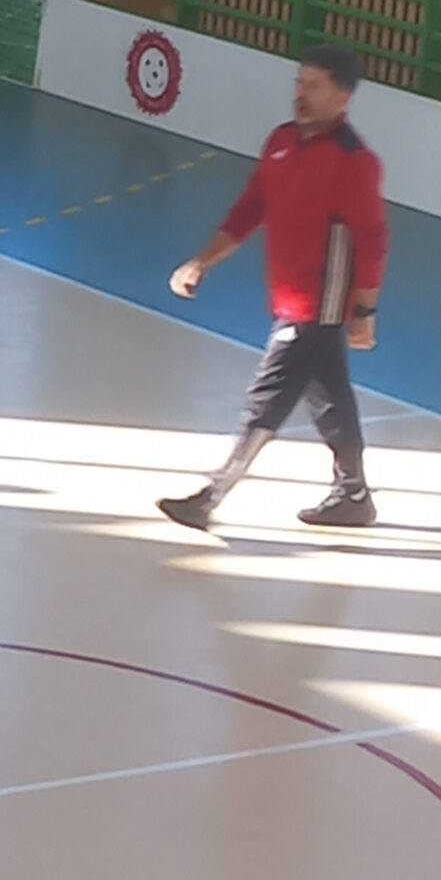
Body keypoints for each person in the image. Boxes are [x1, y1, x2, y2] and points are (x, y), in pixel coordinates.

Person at [158, 42, 390, 532]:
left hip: (317, 305)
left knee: (268, 396)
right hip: (287, 298)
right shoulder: (281, 141)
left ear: (342, 97)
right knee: (330, 400)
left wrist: (364, 314)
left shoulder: (354, 161)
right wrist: (200, 262)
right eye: (299, 82)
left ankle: (211, 496)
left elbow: (372, 240)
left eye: (314, 86)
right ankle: (353, 495)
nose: (300, 93)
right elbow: (250, 208)